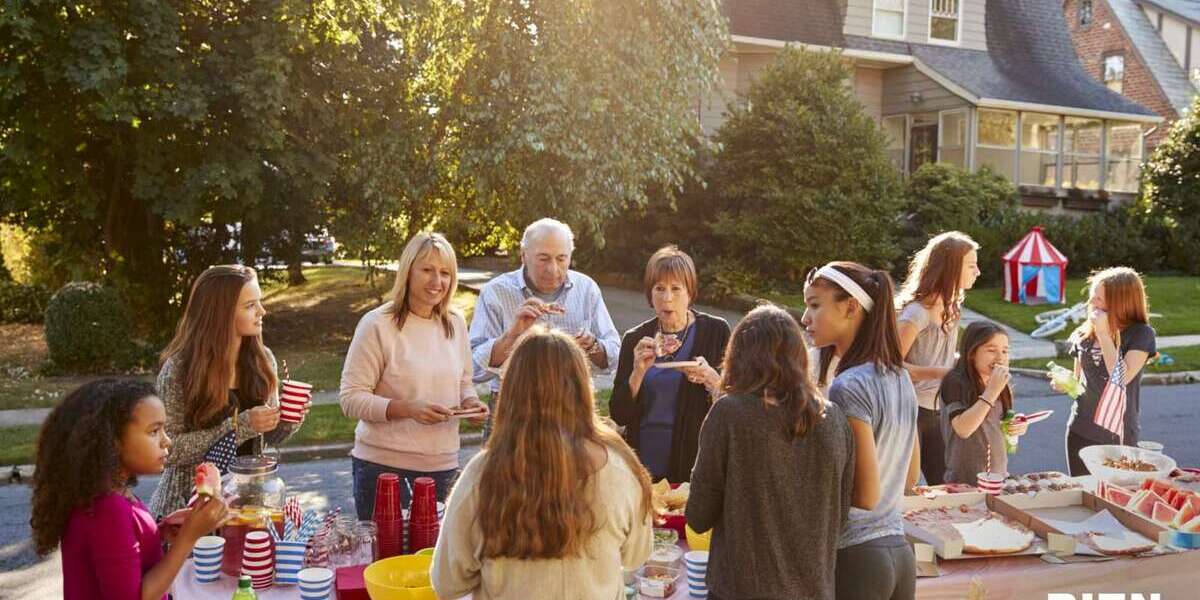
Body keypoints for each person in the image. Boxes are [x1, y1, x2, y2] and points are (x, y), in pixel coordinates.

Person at [431, 327, 653, 599]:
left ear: (511, 390)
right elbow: (636, 556)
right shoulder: (621, 469)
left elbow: (448, 582)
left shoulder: (481, 474)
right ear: (583, 388)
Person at [686, 305, 855, 600]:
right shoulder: (835, 418)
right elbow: (839, 518)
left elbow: (698, 516)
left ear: (737, 356)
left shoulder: (730, 413)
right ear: (799, 356)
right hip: (814, 590)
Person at [32, 378, 230, 600]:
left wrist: (159, 532)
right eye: (154, 431)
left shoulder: (111, 494)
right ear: (112, 440)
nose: (167, 441)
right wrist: (187, 538)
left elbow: (119, 553)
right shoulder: (107, 508)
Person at [340, 232, 487, 519]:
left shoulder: (455, 323)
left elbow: (463, 382)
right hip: (382, 469)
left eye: (445, 273)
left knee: (433, 562)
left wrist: (470, 403)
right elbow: (350, 398)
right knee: (386, 561)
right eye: (427, 270)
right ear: (408, 271)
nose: (437, 281)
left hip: (443, 468)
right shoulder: (376, 325)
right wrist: (407, 409)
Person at [801, 261, 919, 600]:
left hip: (857, 558)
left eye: (814, 305)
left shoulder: (849, 386)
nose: (805, 318)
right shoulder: (900, 377)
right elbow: (910, 478)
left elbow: (865, 496)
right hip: (899, 555)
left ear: (851, 307)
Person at [150, 265, 298, 517]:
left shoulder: (264, 360)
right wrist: (239, 426)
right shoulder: (179, 369)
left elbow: (266, 439)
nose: (262, 311)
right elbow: (169, 450)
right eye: (250, 305)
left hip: (245, 508)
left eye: (259, 302)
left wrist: (287, 420)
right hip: (186, 511)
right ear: (222, 313)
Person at [468, 219, 621, 422]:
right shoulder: (495, 292)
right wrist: (512, 336)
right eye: (543, 259)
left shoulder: (586, 289)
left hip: (573, 406)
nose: (553, 269)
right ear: (523, 255)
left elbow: (614, 358)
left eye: (561, 259)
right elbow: (474, 369)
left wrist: (592, 345)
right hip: (514, 408)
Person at [610, 246, 731, 482]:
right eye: (659, 289)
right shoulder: (636, 339)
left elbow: (734, 402)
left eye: (676, 289)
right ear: (649, 294)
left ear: (690, 293)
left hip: (693, 462)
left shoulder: (715, 331)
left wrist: (710, 378)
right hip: (641, 461)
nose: (667, 298)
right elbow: (619, 414)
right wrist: (637, 372)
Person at [895, 231, 980, 486]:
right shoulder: (916, 314)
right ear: (951, 268)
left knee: (945, 484)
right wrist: (938, 373)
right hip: (909, 410)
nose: (978, 272)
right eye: (972, 266)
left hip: (937, 409)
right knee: (905, 487)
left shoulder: (952, 308)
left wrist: (965, 362)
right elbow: (889, 365)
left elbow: (938, 355)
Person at [1057, 267, 1156, 476]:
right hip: (1079, 428)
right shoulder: (1084, 334)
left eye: (1099, 299)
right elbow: (1078, 383)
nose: (1092, 303)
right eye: (1092, 296)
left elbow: (1121, 377)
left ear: (1121, 302)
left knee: (1112, 500)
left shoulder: (1140, 334)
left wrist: (1103, 334)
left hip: (1116, 433)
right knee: (1082, 496)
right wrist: (1065, 383)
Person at [939, 321, 1028, 483]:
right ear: (972, 353)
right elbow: (963, 428)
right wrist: (991, 392)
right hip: (964, 480)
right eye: (991, 350)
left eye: (1005, 351)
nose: (1000, 358)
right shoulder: (955, 382)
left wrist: (1014, 425)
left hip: (997, 476)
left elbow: (995, 424)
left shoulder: (1000, 385)